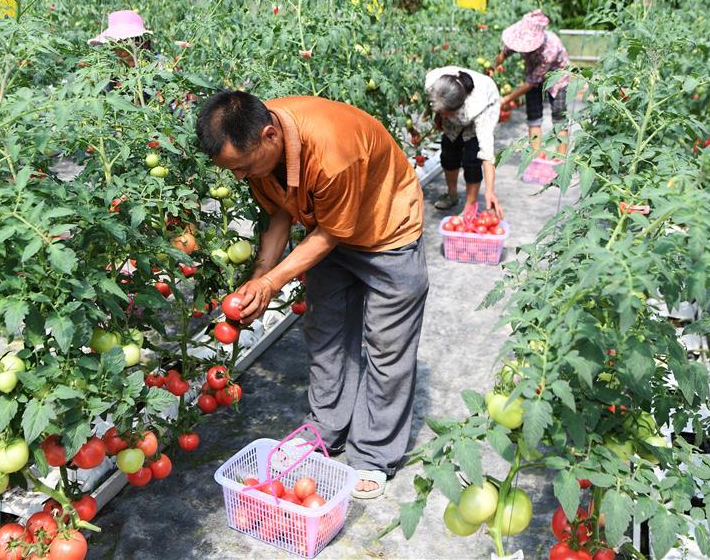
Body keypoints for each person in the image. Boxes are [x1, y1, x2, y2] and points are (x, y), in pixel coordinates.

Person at [195, 92, 429, 499]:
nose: (239, 177)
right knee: (325, 333)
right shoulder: (261, 150)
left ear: (270, 135)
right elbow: (282, 210)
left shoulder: (334, 151)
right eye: (231, 170)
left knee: (387, 348)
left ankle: (373, 454)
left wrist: (272, 284)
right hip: (327, 230)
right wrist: (262, 274)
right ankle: (325, 428)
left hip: (387, 233)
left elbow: (334, 233)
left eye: (243, 167)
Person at [425, 67, 503, 216]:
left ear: (460, 106)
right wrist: (437, 115)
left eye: (448, 113)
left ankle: (470, 205)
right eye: (442, 113)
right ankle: (452, 195)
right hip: (451, 98)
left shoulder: (479, 107)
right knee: (448, 152)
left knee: (472, 159)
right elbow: (435, 99)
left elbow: (487, 154)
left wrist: (490, 191)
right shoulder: (432, 82)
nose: (445, 115)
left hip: (484, 107)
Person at [495, 9, 571, 155]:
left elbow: (531, 82)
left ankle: (560, 158)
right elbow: (506, 51)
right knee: (533, 114)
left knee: (559, 116)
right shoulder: (520, 37)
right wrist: (495, 64)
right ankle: (536, 155)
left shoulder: (550, 49)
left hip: (558, 77)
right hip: (533, 73)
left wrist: (505, 100)